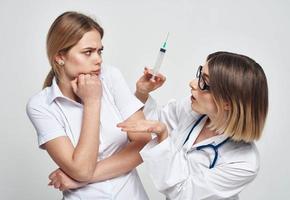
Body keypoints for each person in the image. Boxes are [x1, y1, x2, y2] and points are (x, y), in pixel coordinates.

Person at [26, 11, 150, 199]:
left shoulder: (111, 77)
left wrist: (78, 179)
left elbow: (145, 144)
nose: (98, 59)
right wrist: (92, 102)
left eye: (100, 51)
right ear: (60, 57)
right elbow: (82, 169)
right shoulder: (40, 106)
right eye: (88, 52)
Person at [117, 51, 268, 199]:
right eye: (199, 75)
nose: (192, 83)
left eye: (205, 83)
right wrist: (142, 93)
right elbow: (152, 124)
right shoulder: (193, 110)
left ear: (227, 103)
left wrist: (163, 135)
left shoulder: (244, 162)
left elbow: (183, 194)